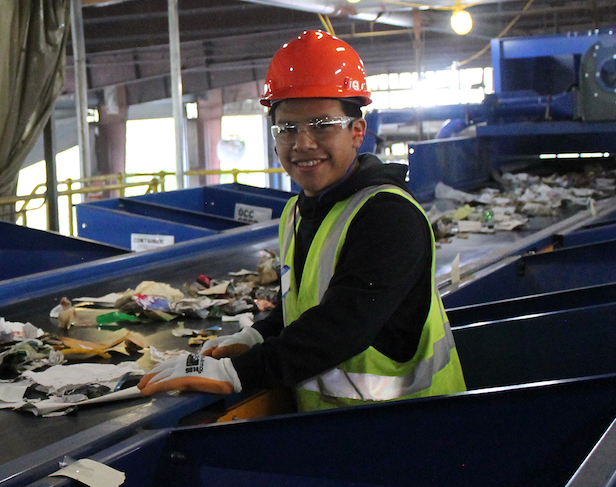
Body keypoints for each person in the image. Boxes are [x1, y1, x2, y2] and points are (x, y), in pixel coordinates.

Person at [139, 31, 466, 411]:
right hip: (334, 431)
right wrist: (257, 336)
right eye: (287, 129)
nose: (303, 143)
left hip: (414, 429)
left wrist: (235, 372)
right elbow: (302, 305)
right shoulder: (297, 211)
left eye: (322, 124)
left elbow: (341, 328)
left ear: (357, 132)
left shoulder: (389, 216)